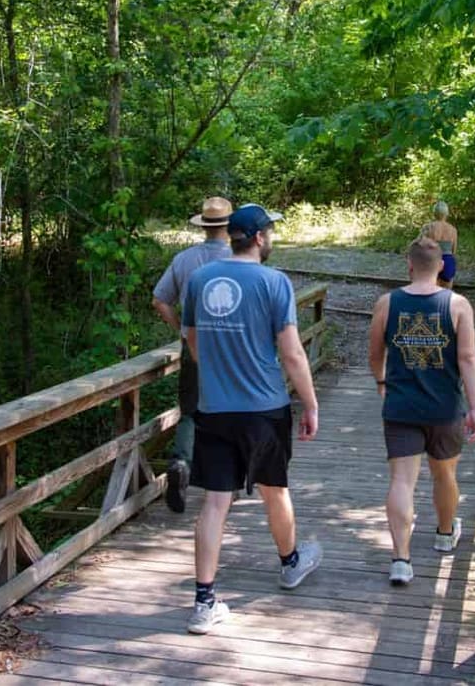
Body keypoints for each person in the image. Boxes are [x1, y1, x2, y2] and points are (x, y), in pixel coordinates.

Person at [181, 203, 322, 635]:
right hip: (263, 408)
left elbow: (189, 336)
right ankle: (290, 564)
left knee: (214, 502)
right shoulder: (274, 282)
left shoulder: (200, 279)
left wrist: (214, 371)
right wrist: (311, 403)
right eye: (271, 232)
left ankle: (204, 603)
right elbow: (293, 352)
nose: (272, 238)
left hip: (215, 409)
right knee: (274, 491)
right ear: (259, 237)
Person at [367, 236, 475, 586]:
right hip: (445, 407)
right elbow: (467, 357)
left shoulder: (388, 303)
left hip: (401, 405)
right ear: (442, 268)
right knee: (444, 475)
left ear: (409, 264)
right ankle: (445, 535)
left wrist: (381, 382)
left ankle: (401, 559)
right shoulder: (458, 305)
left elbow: (374, 352)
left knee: (402, 481)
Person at [152, 196, 233, 513]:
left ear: (203, 226)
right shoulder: (240, 259)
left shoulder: (184, 259)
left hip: (194, 344)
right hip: (231, 346)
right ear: (228, 226)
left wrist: (181, 329)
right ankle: (224, 477)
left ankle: (182, 462)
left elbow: (159, 300)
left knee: (191, 411)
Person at [420, 200, 458, 288]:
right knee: (446, 296)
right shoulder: (453, 230)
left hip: (432, 260)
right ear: (447, 213)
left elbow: (420, 246)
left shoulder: (428, 227)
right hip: (447, 261)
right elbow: (453, 251)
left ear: (434, 213)